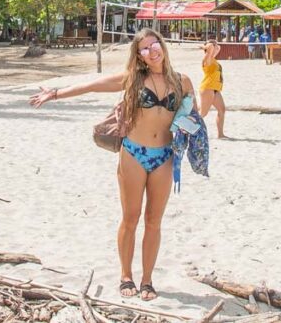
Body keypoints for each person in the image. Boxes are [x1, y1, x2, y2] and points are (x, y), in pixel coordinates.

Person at [29, 28, 196, 301]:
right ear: (139, 56)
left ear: (163, 47)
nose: (152, 50)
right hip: (133, 153)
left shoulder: (182, 81)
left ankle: (147, 280)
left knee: (154, 221)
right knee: (130, 218)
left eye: (155, 44)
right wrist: (56, 93)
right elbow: (94, 85)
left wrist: (188, 123)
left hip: (164, 156)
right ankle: (126, 276)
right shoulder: (133, 79)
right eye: (145, 48)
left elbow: (193, 116)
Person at [197, 40, 227, 139]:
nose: (215, 47)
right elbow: (210, 48)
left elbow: (219, 48)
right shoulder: (207, 59)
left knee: (222, 109)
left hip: (215, 88)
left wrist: (213, 44)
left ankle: (220, 134)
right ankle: (188, 131)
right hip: (207, 88)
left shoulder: (213, 58)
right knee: (203, 113)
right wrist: (207, 46)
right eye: (213, 46)